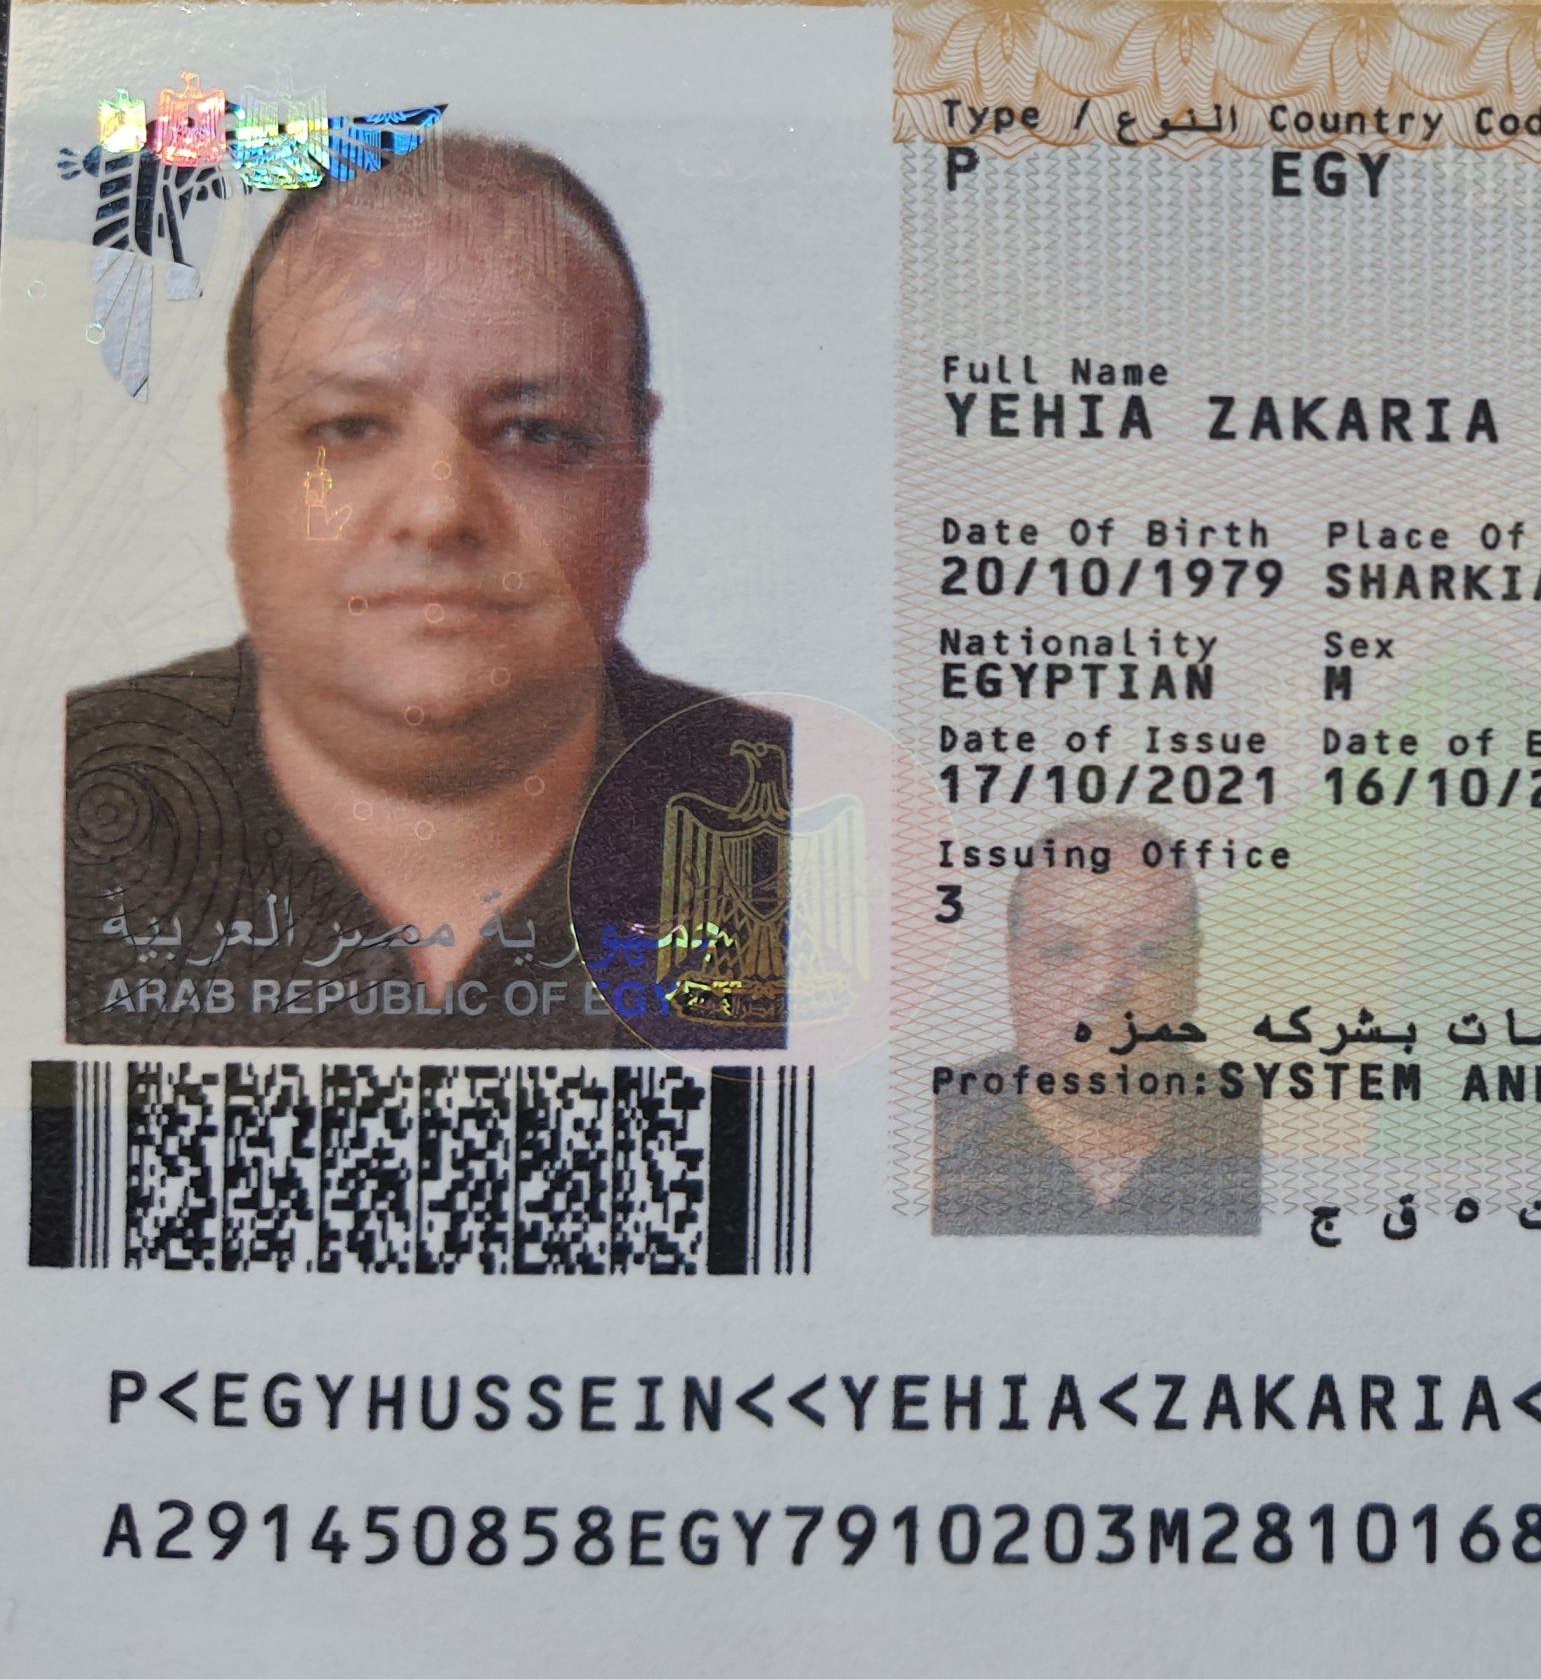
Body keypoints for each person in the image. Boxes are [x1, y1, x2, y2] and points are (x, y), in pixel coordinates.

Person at [63, 135, 786, 1046]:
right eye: (350, 427)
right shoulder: (42, 797)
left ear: (637, 475)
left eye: (534, 432)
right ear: (237, 461)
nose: (440, 512)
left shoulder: (811, 821)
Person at [934, 818, 1261, 1234]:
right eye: (1062, 950)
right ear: (1013, 966)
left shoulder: (1264, 1126)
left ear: (1192, 969)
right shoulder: (929, 1127)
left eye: (1148, 951)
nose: (1103, 985)